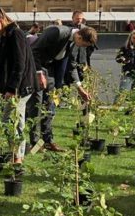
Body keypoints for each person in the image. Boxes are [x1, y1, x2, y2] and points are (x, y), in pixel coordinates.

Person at [27, 23, 98, 151]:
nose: (82, 47)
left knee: (49, 105)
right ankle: (35, 143)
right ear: (79, 37)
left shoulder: (74, 43)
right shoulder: (56, 32)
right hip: (35, 67)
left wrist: (80, 88)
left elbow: (71, 65)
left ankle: (48, 141)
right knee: (36, 105)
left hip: (50, 71)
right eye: (83, 45)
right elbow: (33, 51)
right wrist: (38, 73)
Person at [0, 9, 37, 167]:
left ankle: (18, 157)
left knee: (11, 120)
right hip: (15, 86)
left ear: (0, 21)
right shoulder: (7, 35)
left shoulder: (16, 34)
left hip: (21, 86)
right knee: (13, 120)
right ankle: (16, 155)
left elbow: (19, 64)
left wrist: (12, 88)